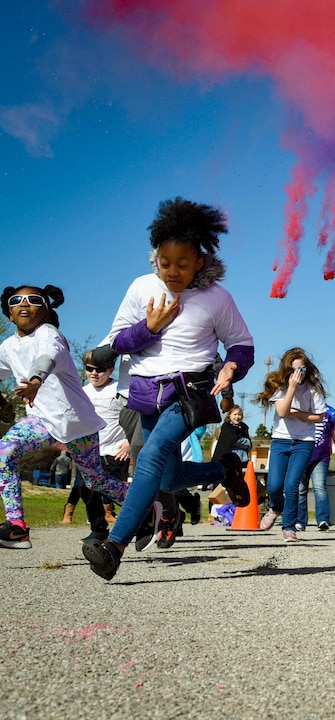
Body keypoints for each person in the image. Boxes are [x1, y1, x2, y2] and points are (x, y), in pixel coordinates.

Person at [81, 198, 254, 580]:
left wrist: (232, 367)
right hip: (144, 393)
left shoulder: (217, 299)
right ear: (154, 257)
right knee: (168, 478)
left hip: (190, 392)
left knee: (153, 453)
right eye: (165, 263)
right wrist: (150, 328)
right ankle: (225, 468)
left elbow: (242, 344)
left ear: (200, 263)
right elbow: (111, 345)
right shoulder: (142, 288)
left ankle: (114, 546)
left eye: (182, 264)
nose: (172, 272)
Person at [0, 285, 130, 549]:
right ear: (10, 314)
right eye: (17, 301)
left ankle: (145, 504)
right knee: (4, 453)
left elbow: (47, 357)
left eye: (34, 300)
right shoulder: (8, 347)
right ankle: (17, 528)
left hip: (75, 423)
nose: (24, 304)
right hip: (42, 422)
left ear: (46, 312)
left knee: (96, 480)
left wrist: (36, 380)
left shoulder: (50, 334)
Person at [255, 348, 327, 542]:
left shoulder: (313, 388)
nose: (298, 375)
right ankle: (276, 507)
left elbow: (319, 417)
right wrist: (292, 388)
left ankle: (289, 527)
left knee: (291, 484)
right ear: (288, 371)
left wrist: (298, 413)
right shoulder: (281, 386)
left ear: (307, 370)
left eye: (302, 370)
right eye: (294, 370)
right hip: (280, 440)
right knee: (274, 485)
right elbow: (283, 411)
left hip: (304, 442)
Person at [64, 352, 131, 542]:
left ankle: (145, 518)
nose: (94, 373)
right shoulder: (82, 392)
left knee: (116, 493)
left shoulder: (120, 389)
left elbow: (134, 418)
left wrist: (129, 444)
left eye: (100, 369)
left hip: (116, 452)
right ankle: (98, 529)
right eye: (89, 369)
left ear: (111, 369)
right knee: (87, 490)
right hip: (89, 452)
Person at [299, 404, 335, 531]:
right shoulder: (300, 407)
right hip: (300, 455)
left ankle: (323, 520)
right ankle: (300, 521)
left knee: (320, 487)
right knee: (300, 489)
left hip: (321, 456)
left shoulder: (329, 411)